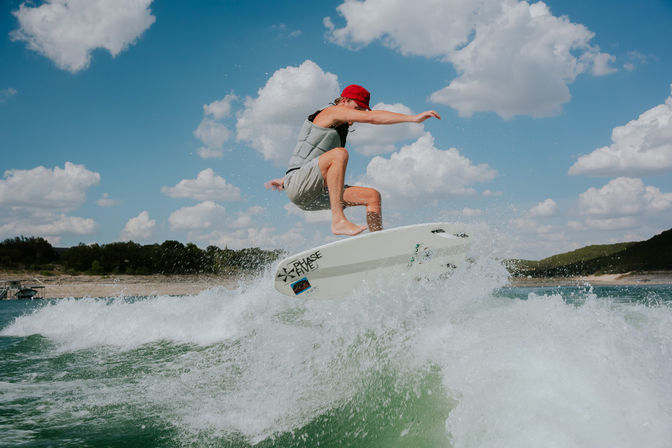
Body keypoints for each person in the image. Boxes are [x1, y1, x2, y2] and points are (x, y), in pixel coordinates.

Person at [265, 84, 440, 236]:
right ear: (343, 101)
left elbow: (310, 155)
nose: (358, 116)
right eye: (357, 109)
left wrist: (283, 182)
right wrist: (413, 118)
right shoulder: (331, 112)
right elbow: (373, 118)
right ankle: (338, 220)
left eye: (362, 111)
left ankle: (379, 245)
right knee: (339, 154)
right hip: (299, 183)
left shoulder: (339, 127)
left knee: (372, 196)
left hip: (313, 192)